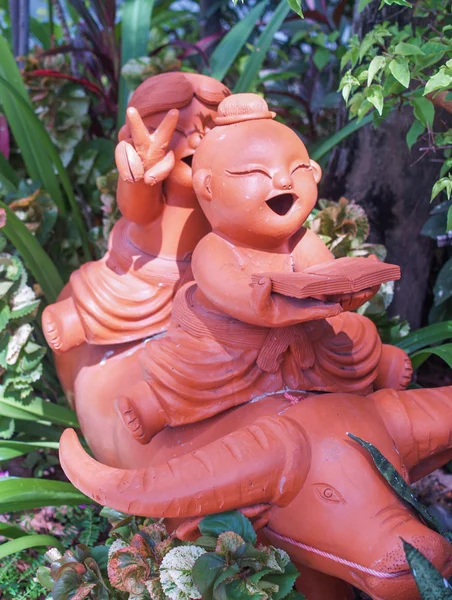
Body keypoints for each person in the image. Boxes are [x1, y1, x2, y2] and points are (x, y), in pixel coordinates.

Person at [116, 93, 412, 445]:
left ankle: (376, 365)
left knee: (354, 335)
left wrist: (346, 291)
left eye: (297, 170)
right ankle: (153, 405)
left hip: (305, 339)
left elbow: (324, 275)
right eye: (255, 173)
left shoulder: (300, 240)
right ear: (208, 186)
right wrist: (266, 300)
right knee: (191, 369)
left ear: (314, 173)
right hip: (237, 348)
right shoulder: (215, 248)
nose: (283, 182)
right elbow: (229, 289)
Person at [42, 72, 230, 353]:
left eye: (209, 130)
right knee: (113, 299)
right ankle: (78, 317)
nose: (195, 142)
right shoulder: (152, 182)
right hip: (147, 268)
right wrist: (139, 176)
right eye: (176, 133)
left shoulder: (225, 184)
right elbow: (138, 212)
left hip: (207, 270)